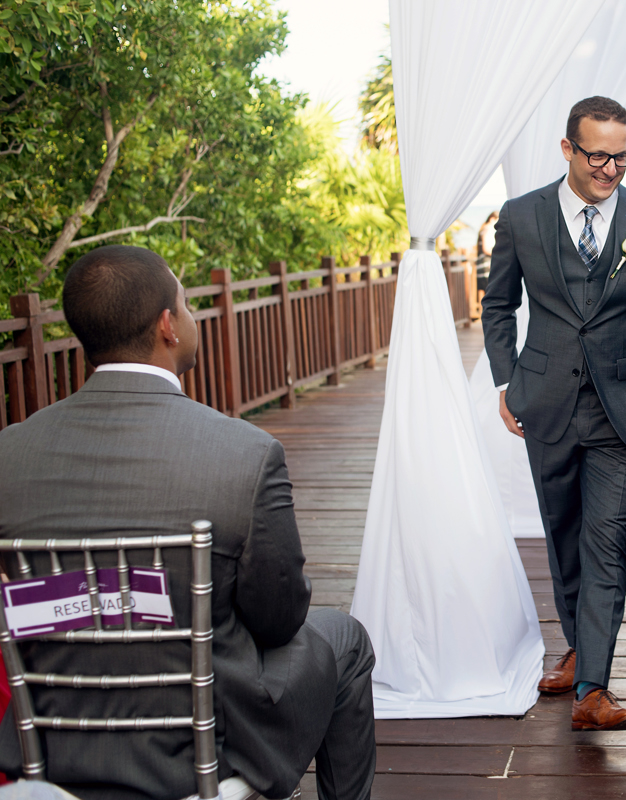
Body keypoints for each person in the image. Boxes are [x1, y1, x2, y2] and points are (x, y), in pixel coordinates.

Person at [0, 246, 376, 800]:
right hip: (203, 746)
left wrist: (101, 596)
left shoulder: (9, 453)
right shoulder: (245, 454)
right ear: (167, 326)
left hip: (54, 742)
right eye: (187, 303)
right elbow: (280, 619)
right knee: (345, 637)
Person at [481, 96, 626, 732]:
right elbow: (498, 306)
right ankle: (577, 650)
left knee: (606, 544)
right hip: (544, 404)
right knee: (563, 537)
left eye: (621, 156)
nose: (610, 169)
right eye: (598, 154)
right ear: (568, 149)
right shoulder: (521, 217)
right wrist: (506, 379)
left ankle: (593, 688)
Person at [476, 210, 499, 293]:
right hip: (487, 265)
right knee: (491, 292)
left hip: (482, 264)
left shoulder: (483, 229)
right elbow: (486, 249)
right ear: (492, 219)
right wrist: (499, 255)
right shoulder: (488, 228)